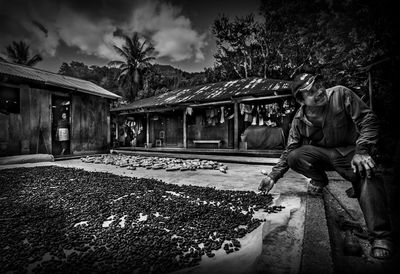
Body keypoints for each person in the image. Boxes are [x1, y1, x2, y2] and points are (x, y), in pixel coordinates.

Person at [258, 73, 394, 259]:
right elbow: (289, 149)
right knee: (294, 156)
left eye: (319, 85)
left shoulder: (340, 94)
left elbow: (368, 119)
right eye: (311, 92)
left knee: (367, 171)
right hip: (323, 156)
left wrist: (362, 150)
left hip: (350, 153)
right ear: (301, 100)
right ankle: (319, 179)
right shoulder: (298, 120)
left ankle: (380, 235)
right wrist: (272, 176)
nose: (319, 91)